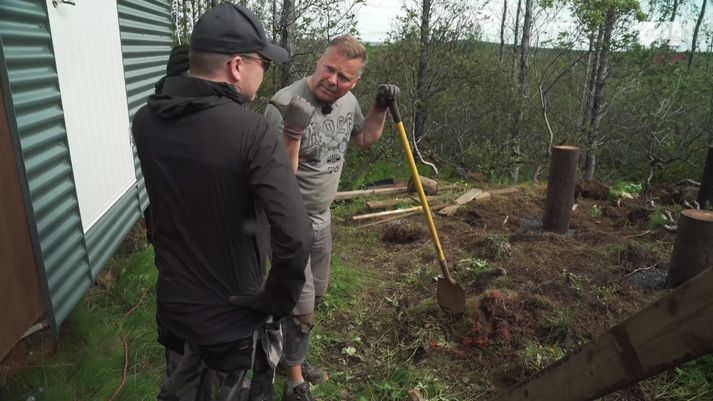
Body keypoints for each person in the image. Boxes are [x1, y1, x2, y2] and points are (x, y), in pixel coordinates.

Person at [132, 4, 315, 400]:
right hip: (235, 327)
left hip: (177, 310)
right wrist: (276, 299)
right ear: (236, 65)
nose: (264, 71)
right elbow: (297, 236)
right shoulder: (252, 132)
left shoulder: (145, 121)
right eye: (262, 61)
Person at [264, 35, 399, 401]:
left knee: (316, 294)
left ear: (355, 83)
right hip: (287, 220)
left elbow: (366, 138)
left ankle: (289, 354)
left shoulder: (348, 102)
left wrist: (380, 108)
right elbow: (277, 180)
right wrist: (293, 132)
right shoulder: (283, 106)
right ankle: (294, 381)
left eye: (344, 78)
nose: (333, 81)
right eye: (330, 69)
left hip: (323, 217)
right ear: (319, 62)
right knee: (300, 302)